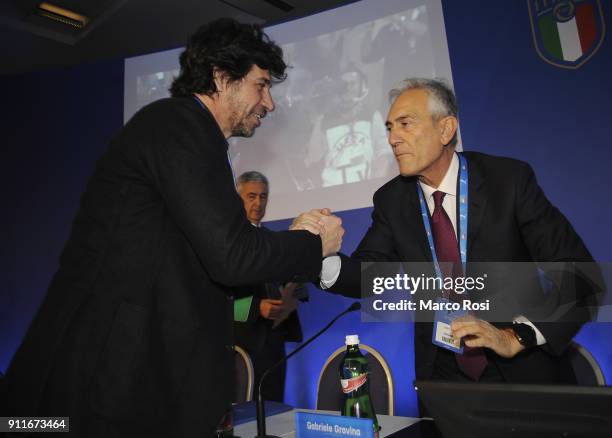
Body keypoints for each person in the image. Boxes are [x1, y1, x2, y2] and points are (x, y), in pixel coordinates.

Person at [2, 18, 343, 437]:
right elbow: (232, 258)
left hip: (125, 383)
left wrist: (290, 239)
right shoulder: (180, 127)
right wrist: (313, 243)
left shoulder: (185, 133)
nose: (269, 103)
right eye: (261, 85)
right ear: (222, 78)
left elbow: (213, 254)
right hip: (101, 387)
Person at [302, 78, 597, 392]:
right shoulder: (393, 201)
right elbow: (368, 275)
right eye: (389, 128)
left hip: (524, 375)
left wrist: (515, 336)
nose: (392, 139)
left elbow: (581, 279)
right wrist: (319, 254)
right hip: (444, 378)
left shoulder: (508, 182)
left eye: (405, 124)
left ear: (446, 129)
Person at [233, 171, 306, 402]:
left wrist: (293, 296)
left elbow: (291, 282)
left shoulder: (273, 240)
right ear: (237, 198)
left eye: (263, 196)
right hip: (240, 346)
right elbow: (213, 301)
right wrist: (257, 308)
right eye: (251, 196)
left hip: (274, 345)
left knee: (273, 411)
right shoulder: (226, 242)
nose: (258, 203)